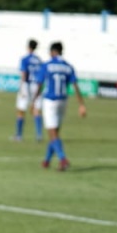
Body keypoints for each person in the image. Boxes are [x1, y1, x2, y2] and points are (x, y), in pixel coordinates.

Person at [33, 41, 87, 171]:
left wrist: (34, 101)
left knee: (52, 133)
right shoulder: (68, 66)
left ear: (52, 52)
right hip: (63, 101)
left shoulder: (47, 65)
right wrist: (81, 105)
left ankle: (63, 159)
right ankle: (46, 160)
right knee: (55, 133)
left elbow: (40, 84)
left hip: (50, 101)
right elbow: (75, 86)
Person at [13, 39, 42, 142]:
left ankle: (19, 135)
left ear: (28, 47)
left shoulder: (25, 59)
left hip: (27, 84)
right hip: (37, 85)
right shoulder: (39, 60)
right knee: (36, 110)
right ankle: (39, 135)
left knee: (21, 110)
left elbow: (24, 74)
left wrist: (21, 88)